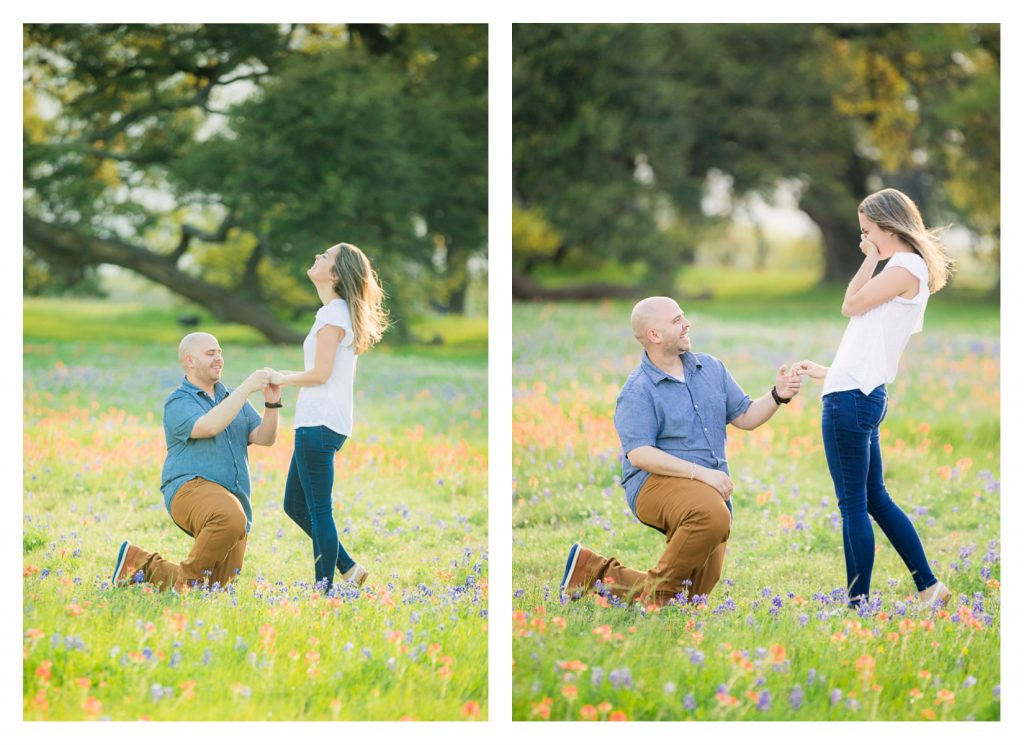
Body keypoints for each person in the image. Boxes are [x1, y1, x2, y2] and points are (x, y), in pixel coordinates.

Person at [560, 296, 803, 608]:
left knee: (692, 594)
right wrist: (701, 474)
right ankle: (656, 601)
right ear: (654, 336)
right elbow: (640, 454)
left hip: (707, 488)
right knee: (712, 516)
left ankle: (591, 571)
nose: (687, 324)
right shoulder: (638, 390)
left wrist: (777, 395)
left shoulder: (711, 369)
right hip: (654, 484)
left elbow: (745, 416)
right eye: (677, 320)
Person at [794, 188, 955, 608]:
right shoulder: (910, 268)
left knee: (853, 506)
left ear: (888, 226)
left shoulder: (902, 266)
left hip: (852, 398)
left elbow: (850, 305)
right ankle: (929, 587)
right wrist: (826, 373)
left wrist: (869, 258)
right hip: (861, 391)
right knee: (875, 499)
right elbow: (872, 341)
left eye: (868, 231)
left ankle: (857, 605)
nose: (864, 239)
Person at [112, 333, 281, 591]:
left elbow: (265, 438)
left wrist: (272, 402)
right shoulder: (179, 402)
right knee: (229, 517)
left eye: (220, 352)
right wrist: (247, 388)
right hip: (189, 490)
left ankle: (139, 564)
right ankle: (186, 584)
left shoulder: (232, 397)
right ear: (189, 361)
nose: (219, 359)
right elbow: (209, 426)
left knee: (215, 589)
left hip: (234, 502)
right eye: (210, 353)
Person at [269, 242, 390, 593]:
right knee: (295, 505)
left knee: (320, 510)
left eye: (325, 256)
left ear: (335, 274)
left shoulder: (332, 315)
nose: (317, 257)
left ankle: (324, 591)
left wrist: (280, 378)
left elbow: (319, 374)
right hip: (326, 423)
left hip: (318, 423)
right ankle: (349, 568)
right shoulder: (338, 313)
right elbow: (328, 373)